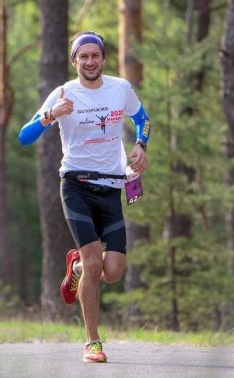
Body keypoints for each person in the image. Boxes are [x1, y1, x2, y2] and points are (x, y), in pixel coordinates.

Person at [18, 31, 150, 363]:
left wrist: (140, 145)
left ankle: (75, 264)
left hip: (111, 188)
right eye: (83, 56)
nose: (90, 62)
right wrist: (51, 116)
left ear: (103, 58)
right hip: (75, 185)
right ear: (74, 60)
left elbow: (142, 119)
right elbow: (24, 135)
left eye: (95, 55)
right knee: (95, 265)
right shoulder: (63, 93)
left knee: (114, 270)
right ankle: (93, 341)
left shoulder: (120, 88)